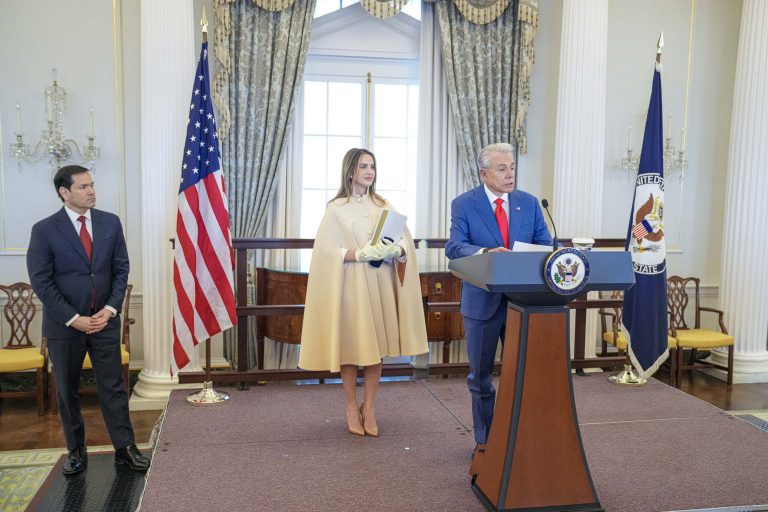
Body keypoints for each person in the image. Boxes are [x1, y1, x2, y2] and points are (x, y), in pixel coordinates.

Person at [27, 165, 149, 475]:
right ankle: (76, 451)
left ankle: (125, 448)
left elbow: (121, 269)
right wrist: (73, 318)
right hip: (65, 326)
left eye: (92, 184)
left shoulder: (110, 222)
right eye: (83, 187)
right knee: (67, 390)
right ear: (64, 192)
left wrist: (109, 309)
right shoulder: (44, 229)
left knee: (113, 388)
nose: (92, 191)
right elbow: (42, 282)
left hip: (104, 322)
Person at [299, 148, 428, 437]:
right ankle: (350, 406)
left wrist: (396, 250)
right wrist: (357, 254)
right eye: (363, 166)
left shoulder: (383, 204)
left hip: (380, 283)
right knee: (351, 347)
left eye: (372, 166)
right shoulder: (336, 208)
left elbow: (405, 240)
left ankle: (369, 407)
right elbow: (325, 252)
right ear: (350, 171)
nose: (369, 171)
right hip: (351, 285)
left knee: (375, 348)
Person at [445, 142, 552, 449]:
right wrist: (486, 253)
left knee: (523, 374)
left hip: (523, 302)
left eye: (512, 168)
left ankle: (520, 440)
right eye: (502, 169)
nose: (510, 174)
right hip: (482, 303)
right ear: (484, 173)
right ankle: (485, 443)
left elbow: (546, 244)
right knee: (480, 377)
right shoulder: (465, 204)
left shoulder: (529, 203)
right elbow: (454, 247)